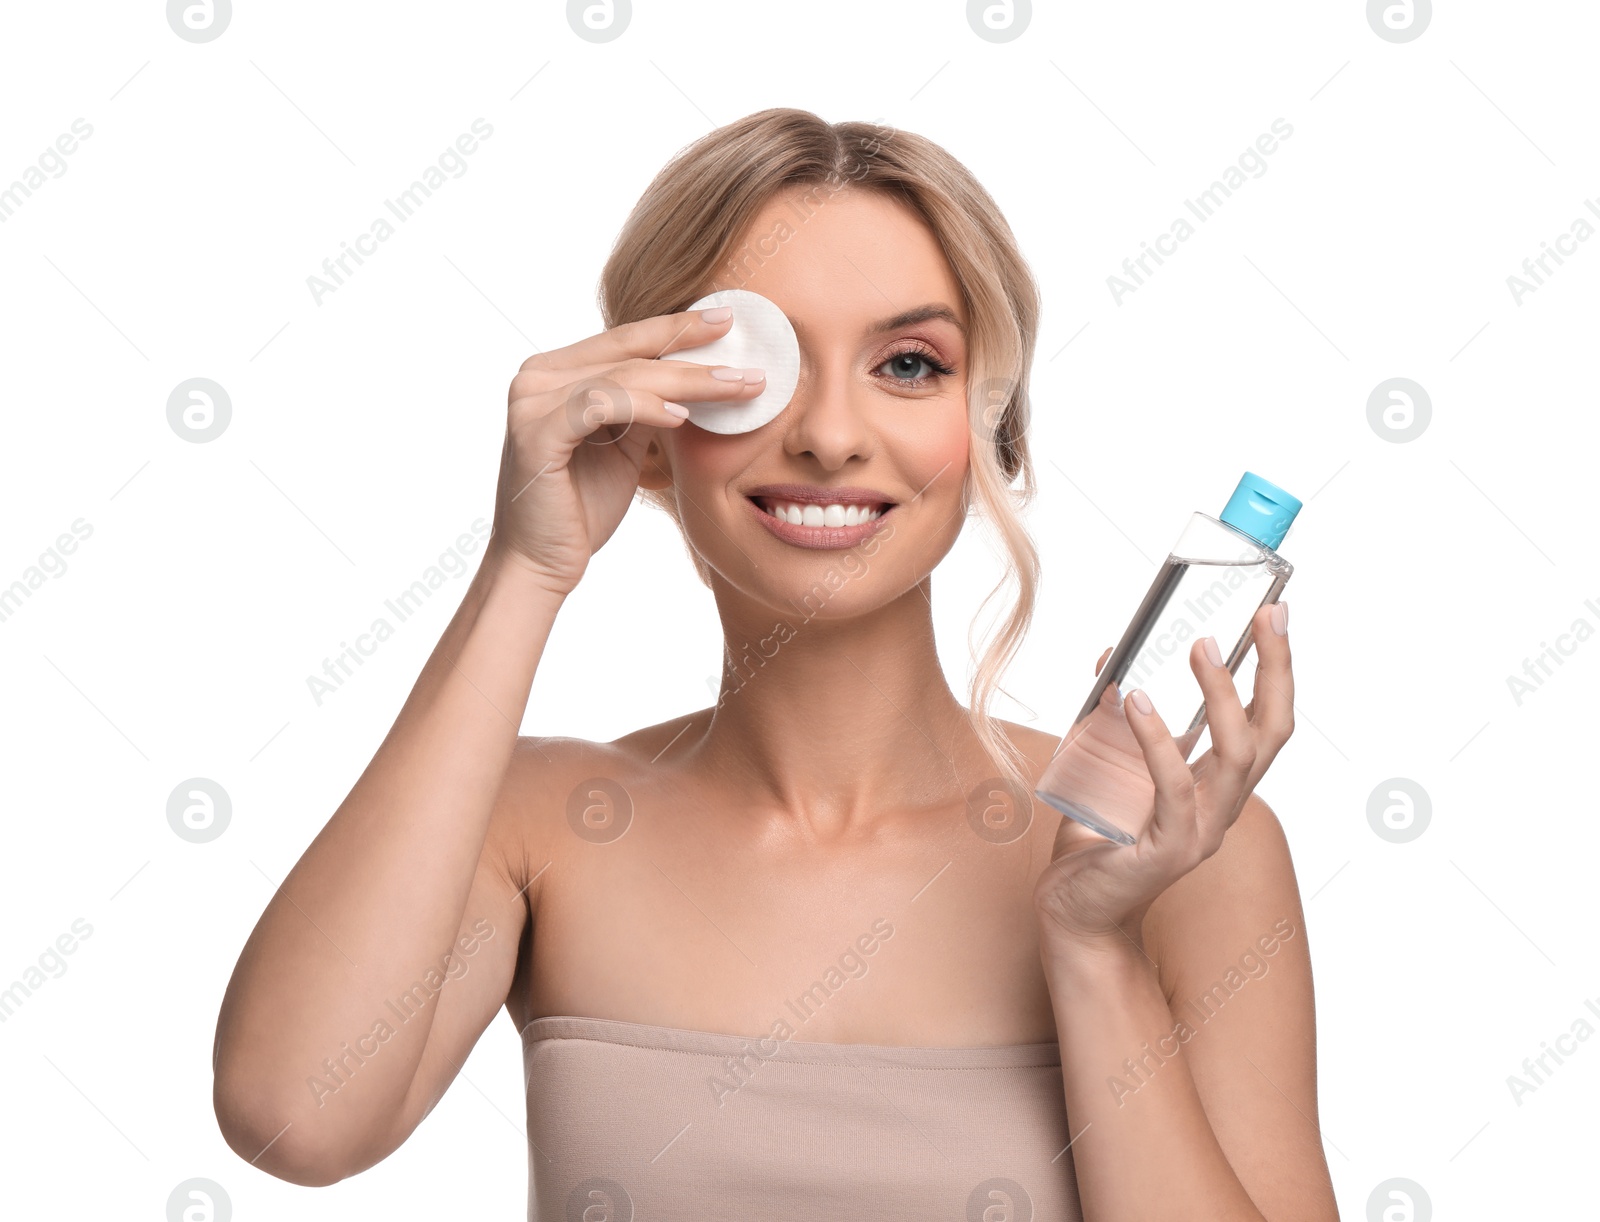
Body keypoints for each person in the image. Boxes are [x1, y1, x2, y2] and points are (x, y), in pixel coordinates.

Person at [212, 107, 1338, 1221]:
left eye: (907, 363)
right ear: (645, 423)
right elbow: (290, 1118)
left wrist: (1092, 947)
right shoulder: (540, 825)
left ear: (989, 434)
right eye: (762, 362)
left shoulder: (1180, 853)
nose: (830, 435)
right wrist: (524, 566)